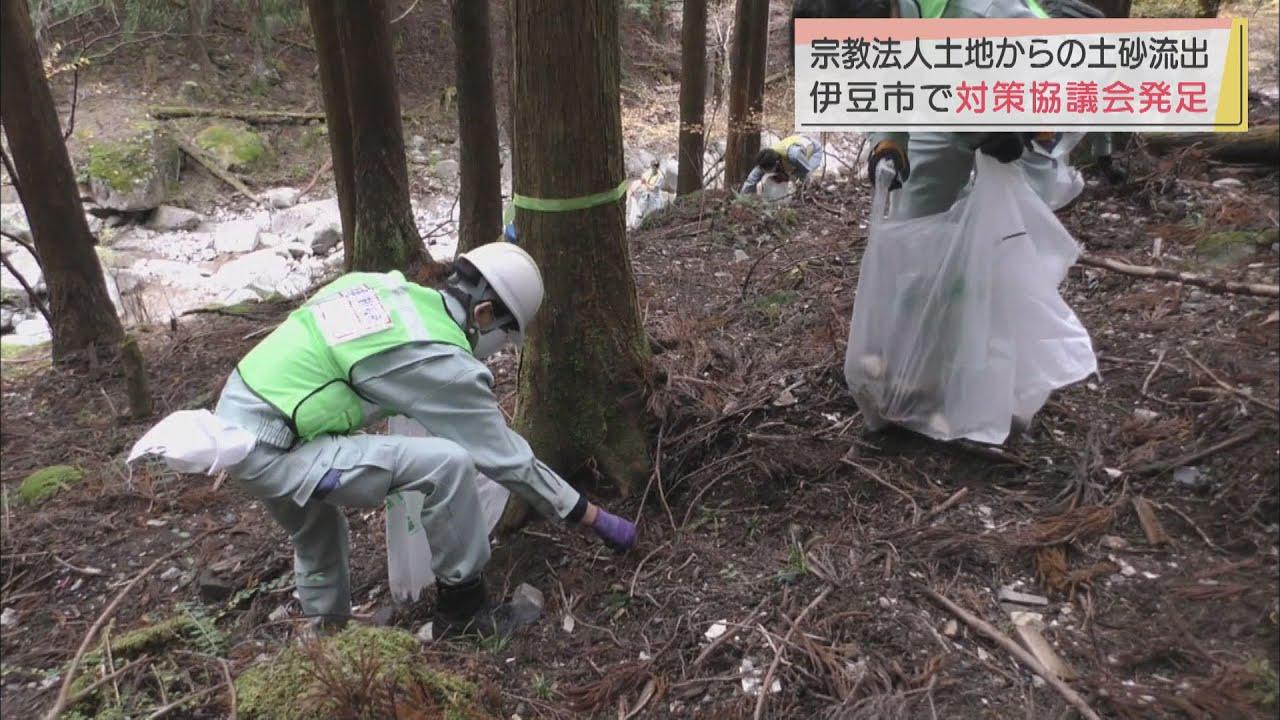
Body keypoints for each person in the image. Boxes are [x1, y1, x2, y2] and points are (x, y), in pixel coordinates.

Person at [212, 243, 638, 638]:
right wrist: (595, 518)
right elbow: (509, 460)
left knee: (318, 527)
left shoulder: (381, 289)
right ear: (485, 314)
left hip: (235, 415)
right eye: (506, 337)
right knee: (448, 465)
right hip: (272, 450)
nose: (500, 348)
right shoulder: (442, 360)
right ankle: (464, 612)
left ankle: (327, 640)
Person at [740, 135, 825, 195]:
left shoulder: (795, 156)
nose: (765, 172)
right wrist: (742, 199)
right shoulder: (765, 158)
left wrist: (796, 181)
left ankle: (803, 195)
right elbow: (751, 181)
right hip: (796, 142)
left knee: (802, 177)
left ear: (776, 163)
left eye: (768, 170)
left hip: (813, 149)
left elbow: (806, 171)